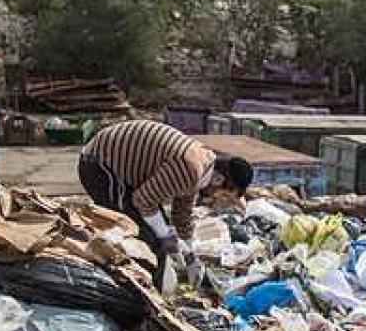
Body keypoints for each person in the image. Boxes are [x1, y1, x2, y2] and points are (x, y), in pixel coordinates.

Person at [77, 119, 253, 286]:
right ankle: (138, 298)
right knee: (144, 240)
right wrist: (167, 237)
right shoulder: (191, 169)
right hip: (99, 164)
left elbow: (182, 215)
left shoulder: (202, 165)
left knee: (158, 238)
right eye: (224, 195)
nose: (216, 200)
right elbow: (143, 200)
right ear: (217, 180)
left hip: (122, 172)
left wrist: (192, 258)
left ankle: (152, 291)